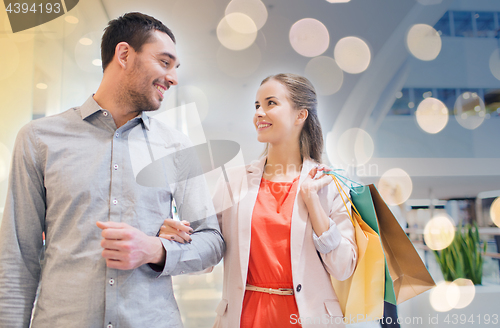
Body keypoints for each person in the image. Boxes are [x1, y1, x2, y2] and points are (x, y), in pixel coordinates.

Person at [0, 12, 224, 327]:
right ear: (123, 55)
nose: (173, 78)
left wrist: (154, 248)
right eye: (164, 62)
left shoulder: (177, 146)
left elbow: (212, 242)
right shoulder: (38, 139)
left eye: (175, 68)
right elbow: (17, 259)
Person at [161, 73, 358, 327]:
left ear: (301, 115)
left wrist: (313, 204)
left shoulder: (328, 184)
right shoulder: (234, 181)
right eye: (257, 106)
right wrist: (175, 238)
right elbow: (205, 255)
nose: (259, 113)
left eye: (270, 103)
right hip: (246, 317)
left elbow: (343, 268)